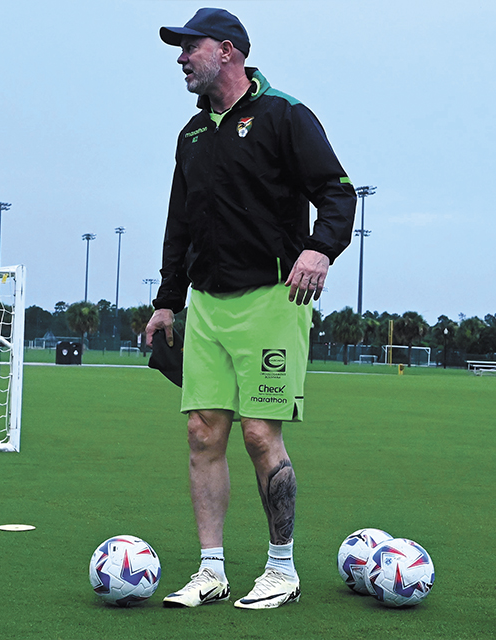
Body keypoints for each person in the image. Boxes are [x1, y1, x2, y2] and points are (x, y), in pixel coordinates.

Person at [146, 8, 356, 610]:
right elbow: (178, 226)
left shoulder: (285, 115)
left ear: (230, 51)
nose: (182, 58)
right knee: (202, 433)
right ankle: (211, 570)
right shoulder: (191, 135)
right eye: (179, 49)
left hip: (272, 298)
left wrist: (321, 249)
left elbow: (337, 192)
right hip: (207, 306)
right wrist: (167, 304)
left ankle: (281, 569)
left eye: (192, 46)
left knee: (261, 436)